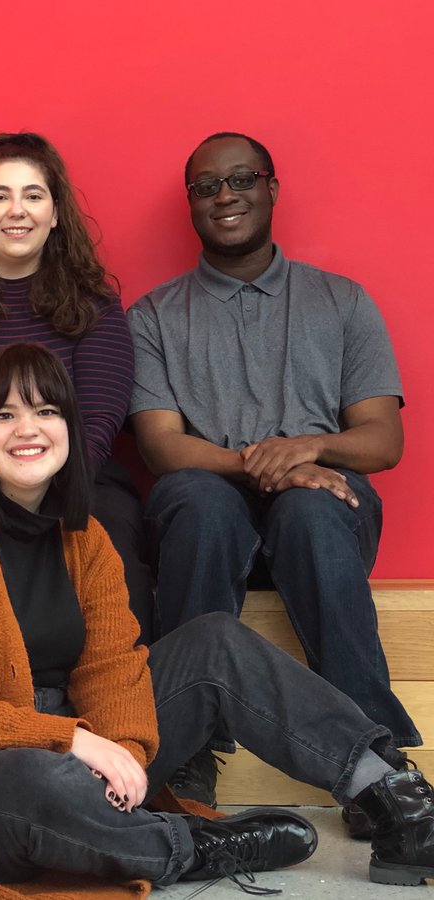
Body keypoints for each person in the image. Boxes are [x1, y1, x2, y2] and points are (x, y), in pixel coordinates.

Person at [0, 342, 434, 898]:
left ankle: (399, 803)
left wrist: (125, 753)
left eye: (46, 411)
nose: (27, 429)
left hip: (80, 753)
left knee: (216, 640)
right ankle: (193, 849)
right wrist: (75, 742)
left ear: (70, 430)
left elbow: (113, 668)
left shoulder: (85, 538)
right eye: (4, 414)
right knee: (34, 783)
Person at [127, 132, 420, 809]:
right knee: (195, 501)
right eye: (206, 186)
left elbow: (383, 439)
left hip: (322, 525)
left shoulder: (343, 302)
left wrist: (309, 450)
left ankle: (375, 755)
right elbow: (161, 448)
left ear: (271, 188)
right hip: (207, 524)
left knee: (314, 511)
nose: (225, 195)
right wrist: (271, 462)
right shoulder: (152, 318)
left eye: (241, 179)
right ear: (191, 203)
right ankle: (192, 749)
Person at [0, 132, 153, 642]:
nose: (17, 211)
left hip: (77, 480)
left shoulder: (95, 305)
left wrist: (39, 489)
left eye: (33, 195)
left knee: (113, 525)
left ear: (56, 214)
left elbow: (101, 422)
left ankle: (130, 693)